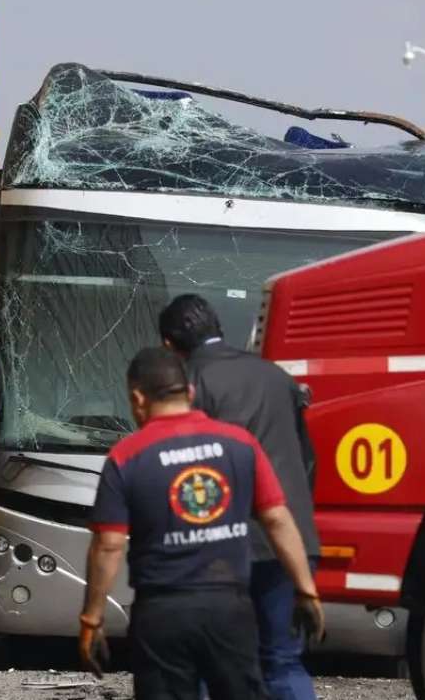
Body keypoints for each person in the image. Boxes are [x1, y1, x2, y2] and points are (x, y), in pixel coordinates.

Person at [78, 347, 324, 700]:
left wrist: (92, 618)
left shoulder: (126, 456)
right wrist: (305, 589)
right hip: (230, 610)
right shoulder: (241, 444)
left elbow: (109, 544)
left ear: (137, 398)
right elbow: (276, 519)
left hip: (162, 614)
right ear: (190, 393)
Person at [158, 294, 321, 700]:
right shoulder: (276, 376)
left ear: (168, 345)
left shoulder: (187, 385)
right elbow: (307, 460)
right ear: (218, 329)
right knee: (283, 660)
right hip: (290, 539)